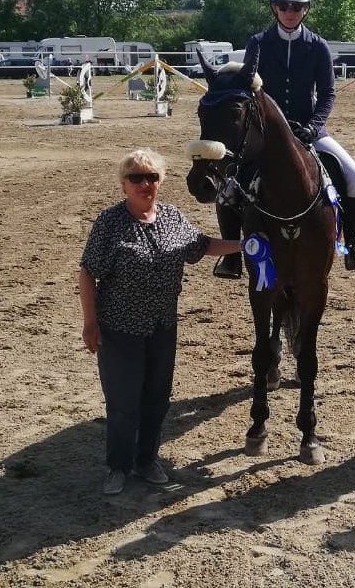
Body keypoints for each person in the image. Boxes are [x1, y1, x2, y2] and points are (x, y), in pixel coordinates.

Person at [79, 148, 243, 495]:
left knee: (156, 398)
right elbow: (88, 272)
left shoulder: (171, 217)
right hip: (120, 328)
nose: (145, 184)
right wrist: (90, 322)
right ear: (124, 184)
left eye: (151, 177)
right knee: (123, 402)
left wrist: (244, 245)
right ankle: (118, 466)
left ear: (161, 181)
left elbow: (202, 245)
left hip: (162, 326)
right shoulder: (110, 222)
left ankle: (146, 460)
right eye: (136, 178)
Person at [213, 0, 355, 279]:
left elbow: (327, 93)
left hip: (309, 131)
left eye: (297, 6)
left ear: (306, 9)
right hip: (265, 135)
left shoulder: (318, 47)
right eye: (284, 6)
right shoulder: (258, 43)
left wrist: (314, 126)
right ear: (275, 8)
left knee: (354, 175)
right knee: (229, 184)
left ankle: (352, 245)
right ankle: (232, 259)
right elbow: (250, 90)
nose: (290, 11)